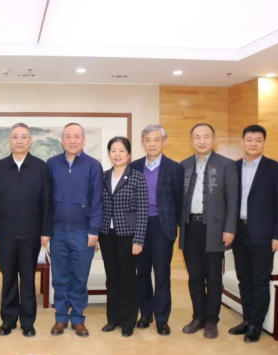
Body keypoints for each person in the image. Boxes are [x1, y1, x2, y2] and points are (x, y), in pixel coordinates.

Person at [0, 123, 52, 338]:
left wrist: (46, 231)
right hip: (5, 233)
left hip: (31, 233)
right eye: (15, 137)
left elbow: (47, 202)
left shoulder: (40, 167)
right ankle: (8, 320)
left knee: (28, 279)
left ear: (30, 141)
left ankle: (28, 322)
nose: (20, 141)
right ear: (10, 141)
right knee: (8, 279)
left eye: (24, 137)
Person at [229, 125, 278, 343]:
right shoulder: (234, 167)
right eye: (249, 139)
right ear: (242, 142)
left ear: (264, 142)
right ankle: (247, 319)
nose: (253, 143)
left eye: (258, 140)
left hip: (264, 235)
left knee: (260, 280)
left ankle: (256, 324)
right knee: (244, 279)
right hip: (239, 231)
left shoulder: (275, 169)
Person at [179, 123, 239, 339]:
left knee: (213, 277)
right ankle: (198, 317)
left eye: (206, 137)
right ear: (191, 141)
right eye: (197, 137)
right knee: (194, 276)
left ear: (214, 140)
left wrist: (230, 228)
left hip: (215, 229)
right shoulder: (184, 165)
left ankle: (212, 320)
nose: (201, 141)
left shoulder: (226, 165)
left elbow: (233, 199)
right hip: (190, 227)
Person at [47, 123, 103, 338]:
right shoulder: (52, 164)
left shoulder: (93, 165)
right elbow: (45, 199)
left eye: (77, 136)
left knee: (79, 279)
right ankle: (61, 318)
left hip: (83, 233)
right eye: (68, 136)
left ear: (83, 140)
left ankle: (78, 319)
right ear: (62, 140)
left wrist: (94, 230)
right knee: (59, 278)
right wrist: (46, 229)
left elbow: (97, 201)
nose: (72, 140)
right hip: (57, 231)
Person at [130, 125, 184, 336]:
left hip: (162, 226)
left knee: (162, 273)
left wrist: (173, 224)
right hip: (139, 227)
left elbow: (179, 201)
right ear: (142, 143)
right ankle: (145, 314)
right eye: (147, 140)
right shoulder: (133, 167)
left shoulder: (175, 168)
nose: (152, 144)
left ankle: (162, 318)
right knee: (142, 272)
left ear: (164, 142)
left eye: (156, 140)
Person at [99, 137, 148, 338]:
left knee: (127, 279)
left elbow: (143, 210)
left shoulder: (137, 177)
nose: (117, 154)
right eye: (113, 150)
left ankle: (128, 322)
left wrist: (139, 239)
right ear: (109, 154)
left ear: (129, 155)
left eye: (121, 151)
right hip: (106, 234)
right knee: (112, 278)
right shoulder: (103, 176)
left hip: (128, 234)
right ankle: (113, 319)